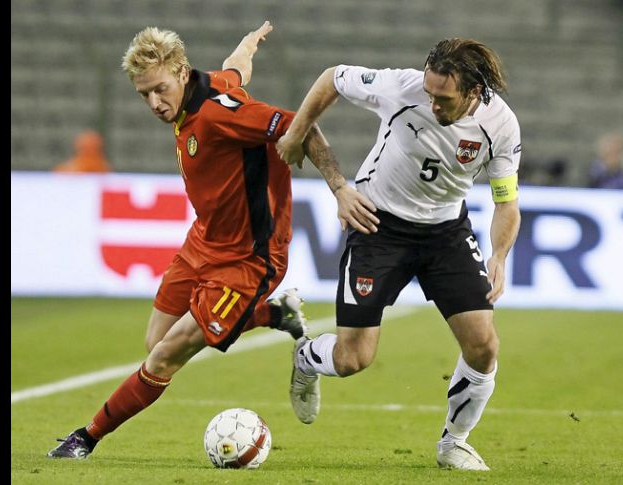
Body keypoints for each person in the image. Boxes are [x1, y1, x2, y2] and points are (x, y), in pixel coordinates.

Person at [47, 21, 334, 459]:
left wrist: (342, 190)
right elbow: (234, 73)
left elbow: (300, 126)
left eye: (160, 89)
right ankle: (273, 315)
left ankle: (85, 438)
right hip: (203, 241)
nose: (154, 103)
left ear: (182, 72)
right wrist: (246, 47)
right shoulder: (203, 88)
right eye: (144, 94)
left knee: (164, 358)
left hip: (248, 259)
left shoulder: (219, 113)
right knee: (155, 341)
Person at [276, 38, 522, 471]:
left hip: (446, 233)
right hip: (378, 226)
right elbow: (332, 77)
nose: (431, 103)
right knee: (354, 359)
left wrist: (499, 256)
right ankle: (305, 357)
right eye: (428, 92)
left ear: (473, 91)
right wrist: (299, 138)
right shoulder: (402, 88)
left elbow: (506, 202)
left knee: (484, 346)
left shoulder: (501, 125)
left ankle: (454, 442)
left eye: (442, 98)